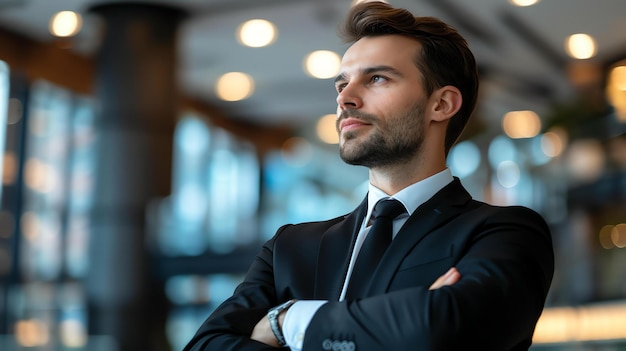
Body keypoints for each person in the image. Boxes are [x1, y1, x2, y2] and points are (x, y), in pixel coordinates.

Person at [183, 1, 554, 350]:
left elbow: (442, 326)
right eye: (342, 84)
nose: (346, 99)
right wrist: (403, 322)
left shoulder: (504, 233)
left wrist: (287, 321)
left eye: (376, 79)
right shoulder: (290, 248)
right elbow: (205, 345)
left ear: (441, 104)